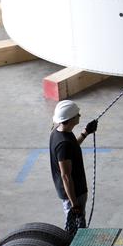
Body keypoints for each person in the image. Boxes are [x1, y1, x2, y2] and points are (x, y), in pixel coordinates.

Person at [49, 100, 97, 234]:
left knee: (78, 226)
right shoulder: (63, 144)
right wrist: (75, 204)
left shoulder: (59, 132)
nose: (79, 116)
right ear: (69, 120)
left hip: (74, 193)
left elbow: (72, 147)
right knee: (75, 228)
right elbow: (66, 176)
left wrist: (85, 133)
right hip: (73, 194)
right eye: (77, 115)